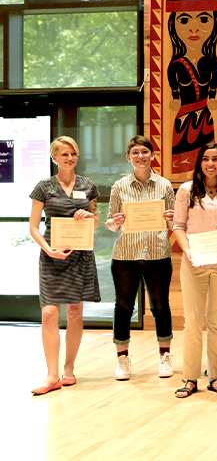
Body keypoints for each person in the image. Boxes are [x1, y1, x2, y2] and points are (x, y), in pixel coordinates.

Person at [171, 143, 217, 398]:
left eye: (216, 159)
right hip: (194, 264)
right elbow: (178, 226)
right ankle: (190, 378)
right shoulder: (186, 190)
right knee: (192, 322)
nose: (210, 164)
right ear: (199, 162)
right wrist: (187, 251)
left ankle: (215, 376)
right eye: (206, 159)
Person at [28, 136, 100, 395]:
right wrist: (49, 250)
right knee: (48, 313)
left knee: (74, 312)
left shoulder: (88, 185)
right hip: (52, 256)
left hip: (80, 256)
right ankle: (51, 375)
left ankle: (69, 369)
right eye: (65, 154)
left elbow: (96, 222)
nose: (70, 158)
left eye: (74, 154)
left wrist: (89, 216)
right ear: (54, 157)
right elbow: (33, 226)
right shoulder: (44, 187)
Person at [105, 136, 176, 382]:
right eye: (135, 152)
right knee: (123, 307)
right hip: (125, 255)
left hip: (157, 253)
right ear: (129, 158)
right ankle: (122, 359)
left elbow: (174, 223)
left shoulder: (165, 185)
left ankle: (165, 356)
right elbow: (109, 224)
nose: (140, 156)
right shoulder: (119, 186)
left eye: (145, 151)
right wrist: (115, 222)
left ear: (152, 155)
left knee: (160, 306)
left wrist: (170, 217)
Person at [165, 0, 217, 174]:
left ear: (215, 24)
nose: (194, 28)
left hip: (204, 113)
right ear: (174, 25)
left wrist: (214, 95)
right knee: (184, 157)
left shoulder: (210, 60)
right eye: (184, 20)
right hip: (184, 115)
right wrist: (174, 97)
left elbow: (215, 78)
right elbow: (173, 83)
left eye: (204, 19)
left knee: (207, 153)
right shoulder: (176, 63)